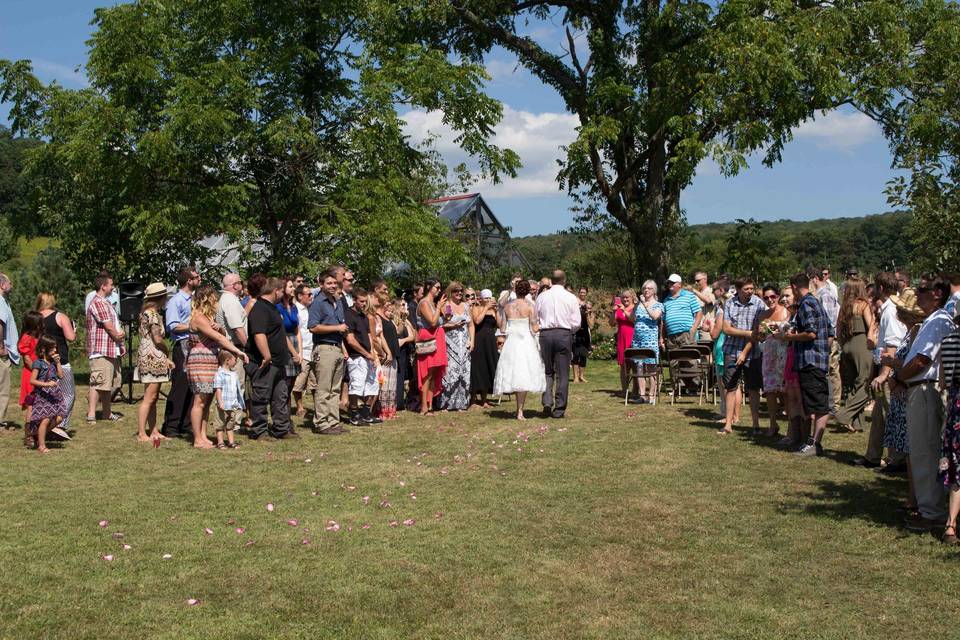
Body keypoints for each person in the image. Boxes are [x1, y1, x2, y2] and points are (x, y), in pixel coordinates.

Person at [892, 275, 954, 531]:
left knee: (925, 450)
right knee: (921, 449)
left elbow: (921, 361)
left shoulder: (939, 321)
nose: (916, 293)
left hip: (925, 389)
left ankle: (933, 512)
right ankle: (929, 507)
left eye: (922, 289)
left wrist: (898, 376)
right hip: (919, 388)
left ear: (937, 293)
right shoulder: (930, 321)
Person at [851, 272, 907, 469]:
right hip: (884, 367)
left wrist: (884, 374)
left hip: (889, 370)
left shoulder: (891, 311)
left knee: (889, 414)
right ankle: (873, 456)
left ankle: (896, 459)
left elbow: (892, 345)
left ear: (880, 288)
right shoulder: (887, 309)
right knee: (879, 415)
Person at [186, 284, 249, 449]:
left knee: (207, 401)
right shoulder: (199, 318)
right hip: (200, 361)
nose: (217, 302)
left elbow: (221, 335)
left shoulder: (208, 318)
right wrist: (239, 351)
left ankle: (204, 435)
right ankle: (197, 438)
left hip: (211, 360)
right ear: (207, 299)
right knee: (199, 400)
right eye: (215, 299)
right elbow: (220, 340)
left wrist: (220, 328)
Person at [779, 271, 835, 457]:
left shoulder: (806, 304)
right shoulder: (815, 302)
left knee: (819, 405)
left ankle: (815, 444)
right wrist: (823, 351)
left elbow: (811, 332)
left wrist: (791, 336)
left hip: (810, 362)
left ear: (794, 287)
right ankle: (811, 442)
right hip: (814, 360)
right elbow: (830, 332)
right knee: (814, 403)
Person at [879, 292, 924, 514]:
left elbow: (913, 363)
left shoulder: (916, 331)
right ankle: (912, 497)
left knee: (912, 450)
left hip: (907, 393)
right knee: (907, 450)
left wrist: (891, 363)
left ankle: (915, 499)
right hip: (902, 392)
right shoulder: (910, 332)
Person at [245, 277, 295, 440]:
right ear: (276, 291)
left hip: (279, 362)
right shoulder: (259, 308)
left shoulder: (273, 308)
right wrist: (266, 355)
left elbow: (279, 334)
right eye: (281, 291)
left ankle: (281, 428)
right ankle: (259, 430)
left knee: (280, 396)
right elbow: (259, 334)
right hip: (265, 363)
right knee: (261, 396)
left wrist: (292, 353)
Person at [494, 279, 546, 419]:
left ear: (516, 290)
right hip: (525, 342)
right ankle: (520, 410)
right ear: (528, 291)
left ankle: (519, 410)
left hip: (511, 342)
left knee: (514, 373)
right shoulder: (530, 306)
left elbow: (503, 328)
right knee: (524, 373)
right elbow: (535, 328)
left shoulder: (507, 307)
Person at [719, 278, 765, 435]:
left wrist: (746, 349)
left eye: (752, 288)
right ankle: (728, 424)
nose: (750, 291)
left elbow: (759, 331)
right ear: (738, 290)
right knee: (730, 387)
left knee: (753, 389)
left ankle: (756, 425)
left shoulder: (759, 303)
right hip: (731, 351)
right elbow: (726, 329)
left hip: (753, 352)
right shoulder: (730, 303)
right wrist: (748, 333)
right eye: (746, 289)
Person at [307, 269, 348, 435]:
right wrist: (337, 327)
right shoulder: (318, 303)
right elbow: (313, 327)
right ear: (321, 284)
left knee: (335, 389)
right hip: (324, 348)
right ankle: (322, 423)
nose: (332, 286)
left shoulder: (337, 301)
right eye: (328, 283)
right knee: (324, 388)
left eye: (334, 283)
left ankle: (333, 421)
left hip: (337, 347)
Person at [535, 269, 580, 418]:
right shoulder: (571, 297)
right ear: (564, 281)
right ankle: (559, 408)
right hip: (563, 333)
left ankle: (547, 402)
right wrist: (568, 331)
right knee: (562, 373)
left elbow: (536, 317)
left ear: (551, 281)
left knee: (547, 370)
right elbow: (576, 323)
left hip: (546, 334)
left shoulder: (541, 297)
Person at [834, 277, 876, 433]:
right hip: (861, 343)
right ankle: (843, 415)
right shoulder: (862, 305)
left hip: (846, 345)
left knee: (852, 384)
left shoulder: (844, 307)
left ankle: (857, 423)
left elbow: (838, 330)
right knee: (864, 382)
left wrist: (843, 345)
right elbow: (870, 323)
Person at [162, 266, 200, 438]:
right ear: (188, 281)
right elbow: (172, 325)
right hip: (182, 344)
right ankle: (171, 424)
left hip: (196, 344)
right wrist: (192, 326)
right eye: (196, 277)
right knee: (180, 385)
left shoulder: (196, 299)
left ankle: (186, 423)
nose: (199, 279)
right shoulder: (176, 301)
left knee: (193, 385)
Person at [136, 283, 174, 443]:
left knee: (152, 396)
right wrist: (167, 352)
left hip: (146, 354)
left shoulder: (146, 313)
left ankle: (153, 430)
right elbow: (157, 338)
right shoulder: (152, 314)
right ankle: (141, 433)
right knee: (150, 397)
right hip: (153, 356)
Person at [85, 272, 125, 424]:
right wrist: (118, 336)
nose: (112, 287)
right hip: (100, 349)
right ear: (103, 286)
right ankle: (91, 414)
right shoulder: (98, 302)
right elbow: (108, 326)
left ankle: (106, 413)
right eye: (110, 285)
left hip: (110, 348)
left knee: (107, 383)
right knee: (97, 381)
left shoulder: (106, 302)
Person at [753, 284, 790, 437]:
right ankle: (773, 424)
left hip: (784, 353)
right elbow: (759, 337)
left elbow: (786, 332)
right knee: (769, 390)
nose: (769, 300)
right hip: (768, 355)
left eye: (772, 297)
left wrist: (769, 328)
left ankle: (791, 427)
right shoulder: (763, 315)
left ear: (778, 296)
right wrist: (760, 333)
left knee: (786, 391)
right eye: (766, 298)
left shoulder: (787, 312)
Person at [36, 293, 76, 432]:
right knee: (68, 394)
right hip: (60, 360)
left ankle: (44, 424)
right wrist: (74, 329)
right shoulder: (60, 316)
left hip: (42, 362)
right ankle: (59, 424)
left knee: (48, 395)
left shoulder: (36, 318)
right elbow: (70, 337)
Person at [214, 272, 249, 432]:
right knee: (236, 386)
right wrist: (248, 348)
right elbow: (237, 328)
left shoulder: (225, 300)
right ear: (235, 285)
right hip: (233, 349)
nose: (242, 286)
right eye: (240, 283)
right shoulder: (231, 301)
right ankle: (233, 423)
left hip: (229, 348)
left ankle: (232, 422)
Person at [344, 289, 383, 425]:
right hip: (356, 356)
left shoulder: (364, 316)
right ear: (354, 300)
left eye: (365, 301)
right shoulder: (348, 314)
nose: (364, 304)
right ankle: (354, 414)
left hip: (368, 356)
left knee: (372, 385)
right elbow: (350, 339)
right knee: (356, 386)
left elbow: (369, 336)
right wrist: (365, 353)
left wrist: (372, 354)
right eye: (361, 301)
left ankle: (366, 412)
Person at [938, 310, 960, 544]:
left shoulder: (949, 340)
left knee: (956, 463)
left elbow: (943, 381)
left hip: (956, 405)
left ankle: (950, 525)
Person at [662, 273, 704, 394]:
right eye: (669, 282)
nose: (670, 285)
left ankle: (693, 387)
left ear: (679, 284)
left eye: (672, 283)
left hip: (686, 334)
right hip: (671, 336)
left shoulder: (689, 296)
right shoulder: (666, 300)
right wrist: (662, 336)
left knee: (690, 360)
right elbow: (663, 321)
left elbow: (699, 313)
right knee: (674, 362)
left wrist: (693, 329)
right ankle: (678, 388)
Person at [27, 336, 67, 454]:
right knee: (45, 419)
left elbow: (61, 376)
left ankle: (36, 434)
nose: (55, 350)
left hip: (54, 395)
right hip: (43, 395)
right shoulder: (38, 363)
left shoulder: (53, 363)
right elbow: (32, 381)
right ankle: (42, 446)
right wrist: (47, 384)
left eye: (55, 348)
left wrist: (58, 362)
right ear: (43, 349)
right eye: (52, 348)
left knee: (59, 417)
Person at [778, 288, 806, 447]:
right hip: (790, 354)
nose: (784, 299)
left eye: (787, 295)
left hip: (799, 356)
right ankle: (793, 434)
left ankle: (803, 436)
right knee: (791, 397)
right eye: (783, 296)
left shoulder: (801, 312)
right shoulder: (790, 314)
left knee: (799, 397)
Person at [628, 280, 664, 404]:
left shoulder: (658, 305)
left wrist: (644, 304)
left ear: (654, 291)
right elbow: (632, 319)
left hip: (650, 341)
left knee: (650, 368)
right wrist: (635, 306)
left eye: (649, 288)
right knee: (639, 367)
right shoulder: (639, 305)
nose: (646, 290)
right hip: (637, 340)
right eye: (644, 288)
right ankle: (642, 395)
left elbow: (654, 316)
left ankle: (652, 395)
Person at [810, 269, 841, 415]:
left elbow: (829, 322)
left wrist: (828, 341)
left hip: (828, 340)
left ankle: (833, 406)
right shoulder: (821, 295)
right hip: (824, 340)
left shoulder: (825, 295)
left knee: (830, 371)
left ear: (815, 279)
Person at [416, 279, 448, 415]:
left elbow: (440, 322)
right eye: (437, 287)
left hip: (437, 338)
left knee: (434, 373)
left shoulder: (433, 304)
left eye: (440, 288)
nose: (439, 290)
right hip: (428, 340)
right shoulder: (424, 303)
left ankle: (430, 405)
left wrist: (445, 314)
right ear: (429, 287)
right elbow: (433, 321)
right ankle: (423, 405)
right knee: (427, 374)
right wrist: (439, 307)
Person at [439, 282, 473, 411]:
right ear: (450, 292)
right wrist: (454, 325)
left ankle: (461, 403)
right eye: (456, 291)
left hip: (464, 343)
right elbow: (441, 324)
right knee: (450, 373)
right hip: (450, 343)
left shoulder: (466, 306)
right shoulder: (446, 305)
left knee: (463, 372)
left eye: (460, 291)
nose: (459, 293)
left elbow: (471, 325)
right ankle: (447, 403)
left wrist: (472, 340)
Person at [276, 278, 302, 409]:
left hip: (295, 343)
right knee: (285, 381)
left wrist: (300, 352)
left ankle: (287, 410)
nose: (294, 289)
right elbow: (282, 333)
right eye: (290, 286)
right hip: (285, 345)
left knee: (292, 381)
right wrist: (293, 353)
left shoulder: (293, 306)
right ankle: (284, 412)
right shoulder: (278, 307)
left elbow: (298, 330)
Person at [471, 289, 499, 407]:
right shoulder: (476, 308)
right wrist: (486, 308)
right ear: (480, 299)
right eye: (485, 298)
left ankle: (484, 399)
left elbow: (499, 325)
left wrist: (497, 311)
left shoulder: (492, 310)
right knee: (478, 368)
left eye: (489, 298)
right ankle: (472, 399)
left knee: (488, 367)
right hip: (479, 341)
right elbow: (477, 321)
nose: (488, 300)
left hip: (490, 342)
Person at [292, 284, 315, 418]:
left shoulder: (311, 309)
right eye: (309, 294)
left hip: (313, 349)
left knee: (315, 382)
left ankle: (317, 406)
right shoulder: (297, 311)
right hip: (303, 350)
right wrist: (298, 352)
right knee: (300, 381)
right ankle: (299, 406)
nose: (311, 297)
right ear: (300, 296)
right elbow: (297, 331)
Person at [213, 350, 244, 449]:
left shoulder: (233, 374)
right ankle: (220, 442)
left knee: (231, 424)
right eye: (234, 359)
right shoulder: (219, 374)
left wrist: (238, 402)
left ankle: (231, 442)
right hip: (222, 404)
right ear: (227, 360)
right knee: (220, 424)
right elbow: (218, 389)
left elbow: (237, 389)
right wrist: (220, 401)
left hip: (232, 404)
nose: (236, 361)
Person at [0, 273, 20, 427]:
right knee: (3, 388)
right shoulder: (0, 302)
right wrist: (1, 346)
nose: (11, 285)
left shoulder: (4, 301)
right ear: (2, 285)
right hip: (2, 352)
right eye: (10, 282)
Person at [18, 310, 43, 429]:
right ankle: (29, 432)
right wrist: (37, 371)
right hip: (31, 374)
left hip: (40, 373)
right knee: (31, 403)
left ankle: (39, 429)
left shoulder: (39, 337)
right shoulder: (27, 338)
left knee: (39, 402)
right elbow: (27, 360)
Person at [610, 289, 638, 397]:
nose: (625, 299)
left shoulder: (635, 308)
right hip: (622, 339)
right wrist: (613, 312)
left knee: (635, 365)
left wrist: (624, 311)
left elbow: (634, 320)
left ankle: (636, 390)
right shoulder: (619, 309)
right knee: (624, 366)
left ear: (632, 298)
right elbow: (612, 323)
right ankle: (624, 390)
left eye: (627, 297)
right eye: (623, 297)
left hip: (633, 338)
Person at [377, 298, 401, 420]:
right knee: (383, 383)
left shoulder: (388, 318)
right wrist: (386, 352)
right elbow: (380, 337)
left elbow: (398, 331)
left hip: (394, 354)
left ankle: (391, 411)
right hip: (385, 355)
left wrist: (401, 318)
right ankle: (382, 411)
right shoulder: (377, 317)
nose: (389, 306)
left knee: (392, 384)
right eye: (386, 303)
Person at [392, 298, 416, 411]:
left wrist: (404, 340)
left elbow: (413, 335)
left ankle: (400, 402)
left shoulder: (406, 320)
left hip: (404, 350)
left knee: (402, 377)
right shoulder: (393, 318)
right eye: (402, 305)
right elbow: (397, 332)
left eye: (405, 304)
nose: (405, 307)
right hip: (395, 350)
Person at [572, 287, 594, 384]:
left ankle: (581, 376)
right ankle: (575, 377)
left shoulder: (589, 310)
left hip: (585, 334)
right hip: (576, 333)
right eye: (581, 292)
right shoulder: (576, 304)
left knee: (583, 356)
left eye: (584, 292)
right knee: (576, 355)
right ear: (578, 293)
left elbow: (591, 326)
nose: (583, 294)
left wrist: (588, 314)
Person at [692, 271, 717, 342]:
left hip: (707, 329)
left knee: (706, 351)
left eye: (698, 280)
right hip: (696, 328)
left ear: (705, 279)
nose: (696, 283)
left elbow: (709, 302)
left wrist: (695, 291)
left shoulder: (711, 291)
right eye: (695, 281)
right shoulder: (697, 293)